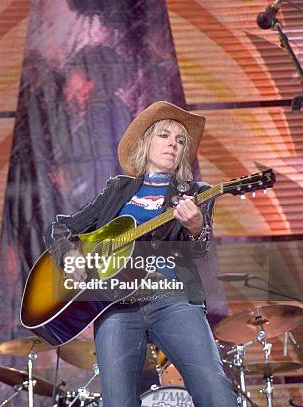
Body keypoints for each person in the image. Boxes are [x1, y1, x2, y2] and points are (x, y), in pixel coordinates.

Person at [44, 101, 238, 406]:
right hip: (114, 305)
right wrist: (70, 256)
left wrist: (196, 226)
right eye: (164, 135)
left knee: (216, 393)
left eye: (180, 140)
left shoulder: (197, 193)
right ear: (146, 141)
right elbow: (62, 228)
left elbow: (199, 246)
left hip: (171, 298)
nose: (173, 144)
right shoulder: (118, 189)